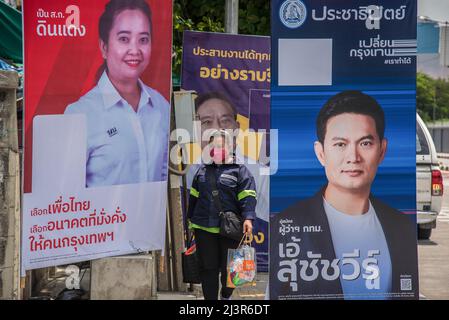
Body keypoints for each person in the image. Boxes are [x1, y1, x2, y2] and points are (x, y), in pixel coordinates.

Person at [271, 90, 418, 300]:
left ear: (382, 150)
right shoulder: (286, 225)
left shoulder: (402, 227)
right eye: (340, 144)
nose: (353, 157)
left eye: (365, 143)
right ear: (320, 153)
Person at [64, 0, 170, 187]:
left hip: (151, 217)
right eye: (123, 38)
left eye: (143, 39)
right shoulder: (80, 113)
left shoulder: (161, 106)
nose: (135, 50)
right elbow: (67, 194)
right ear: (104, 47)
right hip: (102, 216)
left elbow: (164, 180)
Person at [187, 129, 257, 300]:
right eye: (213, 145)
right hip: (203, 227)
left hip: (230, 229)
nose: (216, 149)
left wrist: (248, 218)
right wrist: (190, 221)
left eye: (220, 145)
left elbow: (248, 196)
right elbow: (194, 197)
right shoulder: (202, 171)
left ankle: (226, 296)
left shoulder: (240, 171)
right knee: (208, 269)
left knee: (231, 270)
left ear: (230, 146)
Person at [186, 92, 269, 223]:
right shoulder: (188, 174)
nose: (217, 129)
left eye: (225, 121)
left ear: (237, 128)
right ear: (195, 131)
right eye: (207, 122)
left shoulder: (261, 175)